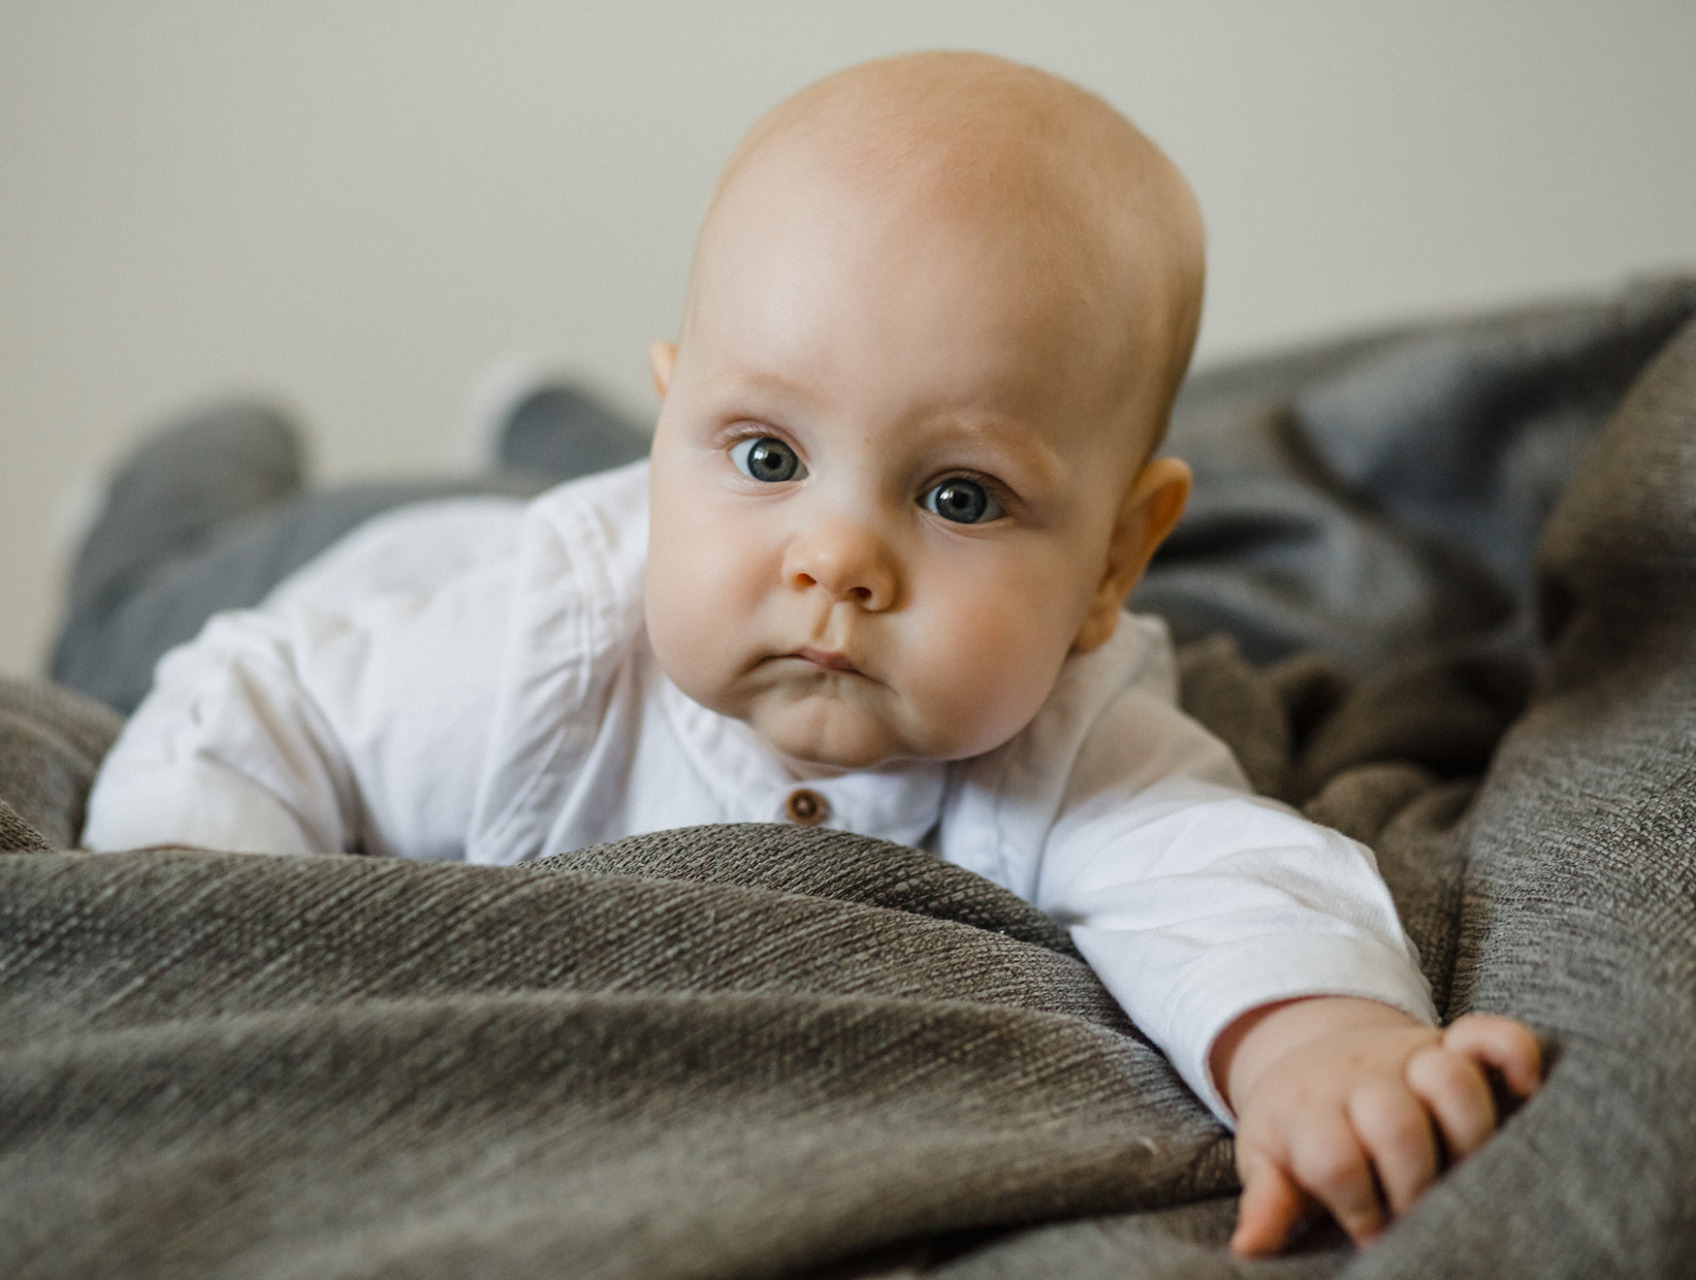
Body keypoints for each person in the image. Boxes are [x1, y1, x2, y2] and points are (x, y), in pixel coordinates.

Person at [81, 51, 1543, 1256]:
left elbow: (1219, 873)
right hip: (379, 557)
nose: (837, 557)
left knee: (684, 467)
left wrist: (1322, 1048)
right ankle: (211, 471)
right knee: (137, 610)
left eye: (959, 495)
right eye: (767, 450)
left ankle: (553, 413)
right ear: (678, 441)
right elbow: (247, 702)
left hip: (640, 507)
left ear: (1114, 563)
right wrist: (190, 938)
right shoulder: (518, 656)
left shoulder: (1070, 740)